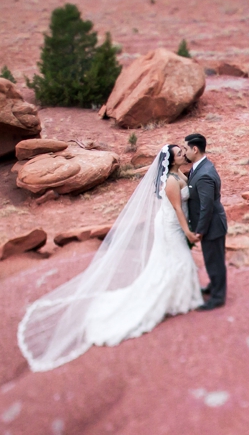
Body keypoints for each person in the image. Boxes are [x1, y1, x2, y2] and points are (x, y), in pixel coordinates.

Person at [15, 144, 201, 371]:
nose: (184, 154)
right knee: (180, 260)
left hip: (169, 224)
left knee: (169, 261)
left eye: (183, 151)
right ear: (171, 161)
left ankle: (179, 297)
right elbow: (178, 210)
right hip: (171, 225)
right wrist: (189, 231)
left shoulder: (179, 173)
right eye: (180, 153)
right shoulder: (171, 182)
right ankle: (178, 300)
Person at [182, 133, 227, 310]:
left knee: (214, 259)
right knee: (213, 259)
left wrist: (199, 230)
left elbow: (206, 206)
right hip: (212, 223)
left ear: (195, 149)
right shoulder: (201, 167)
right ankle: (214, 286)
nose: (184, 152)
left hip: (212, 225)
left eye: (186, 148)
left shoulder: (205, 174)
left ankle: (218, 297)